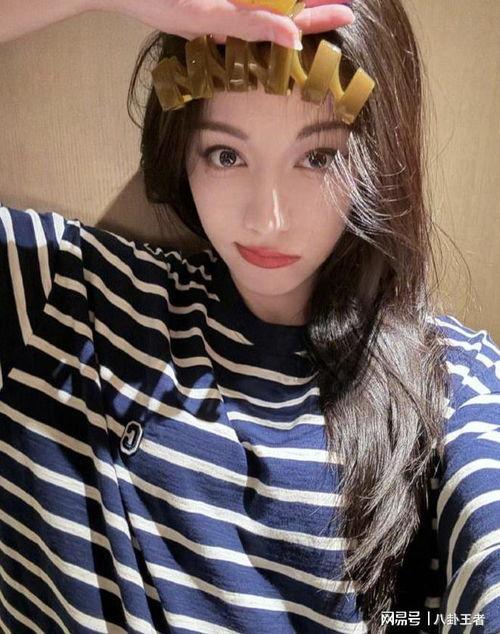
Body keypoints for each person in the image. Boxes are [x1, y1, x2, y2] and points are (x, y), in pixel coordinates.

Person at [0, 1, 499, 632]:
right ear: (181, 151)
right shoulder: (66, 299)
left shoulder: (454, 386)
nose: (267, 219)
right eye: (225, 155)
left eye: (319, 157)